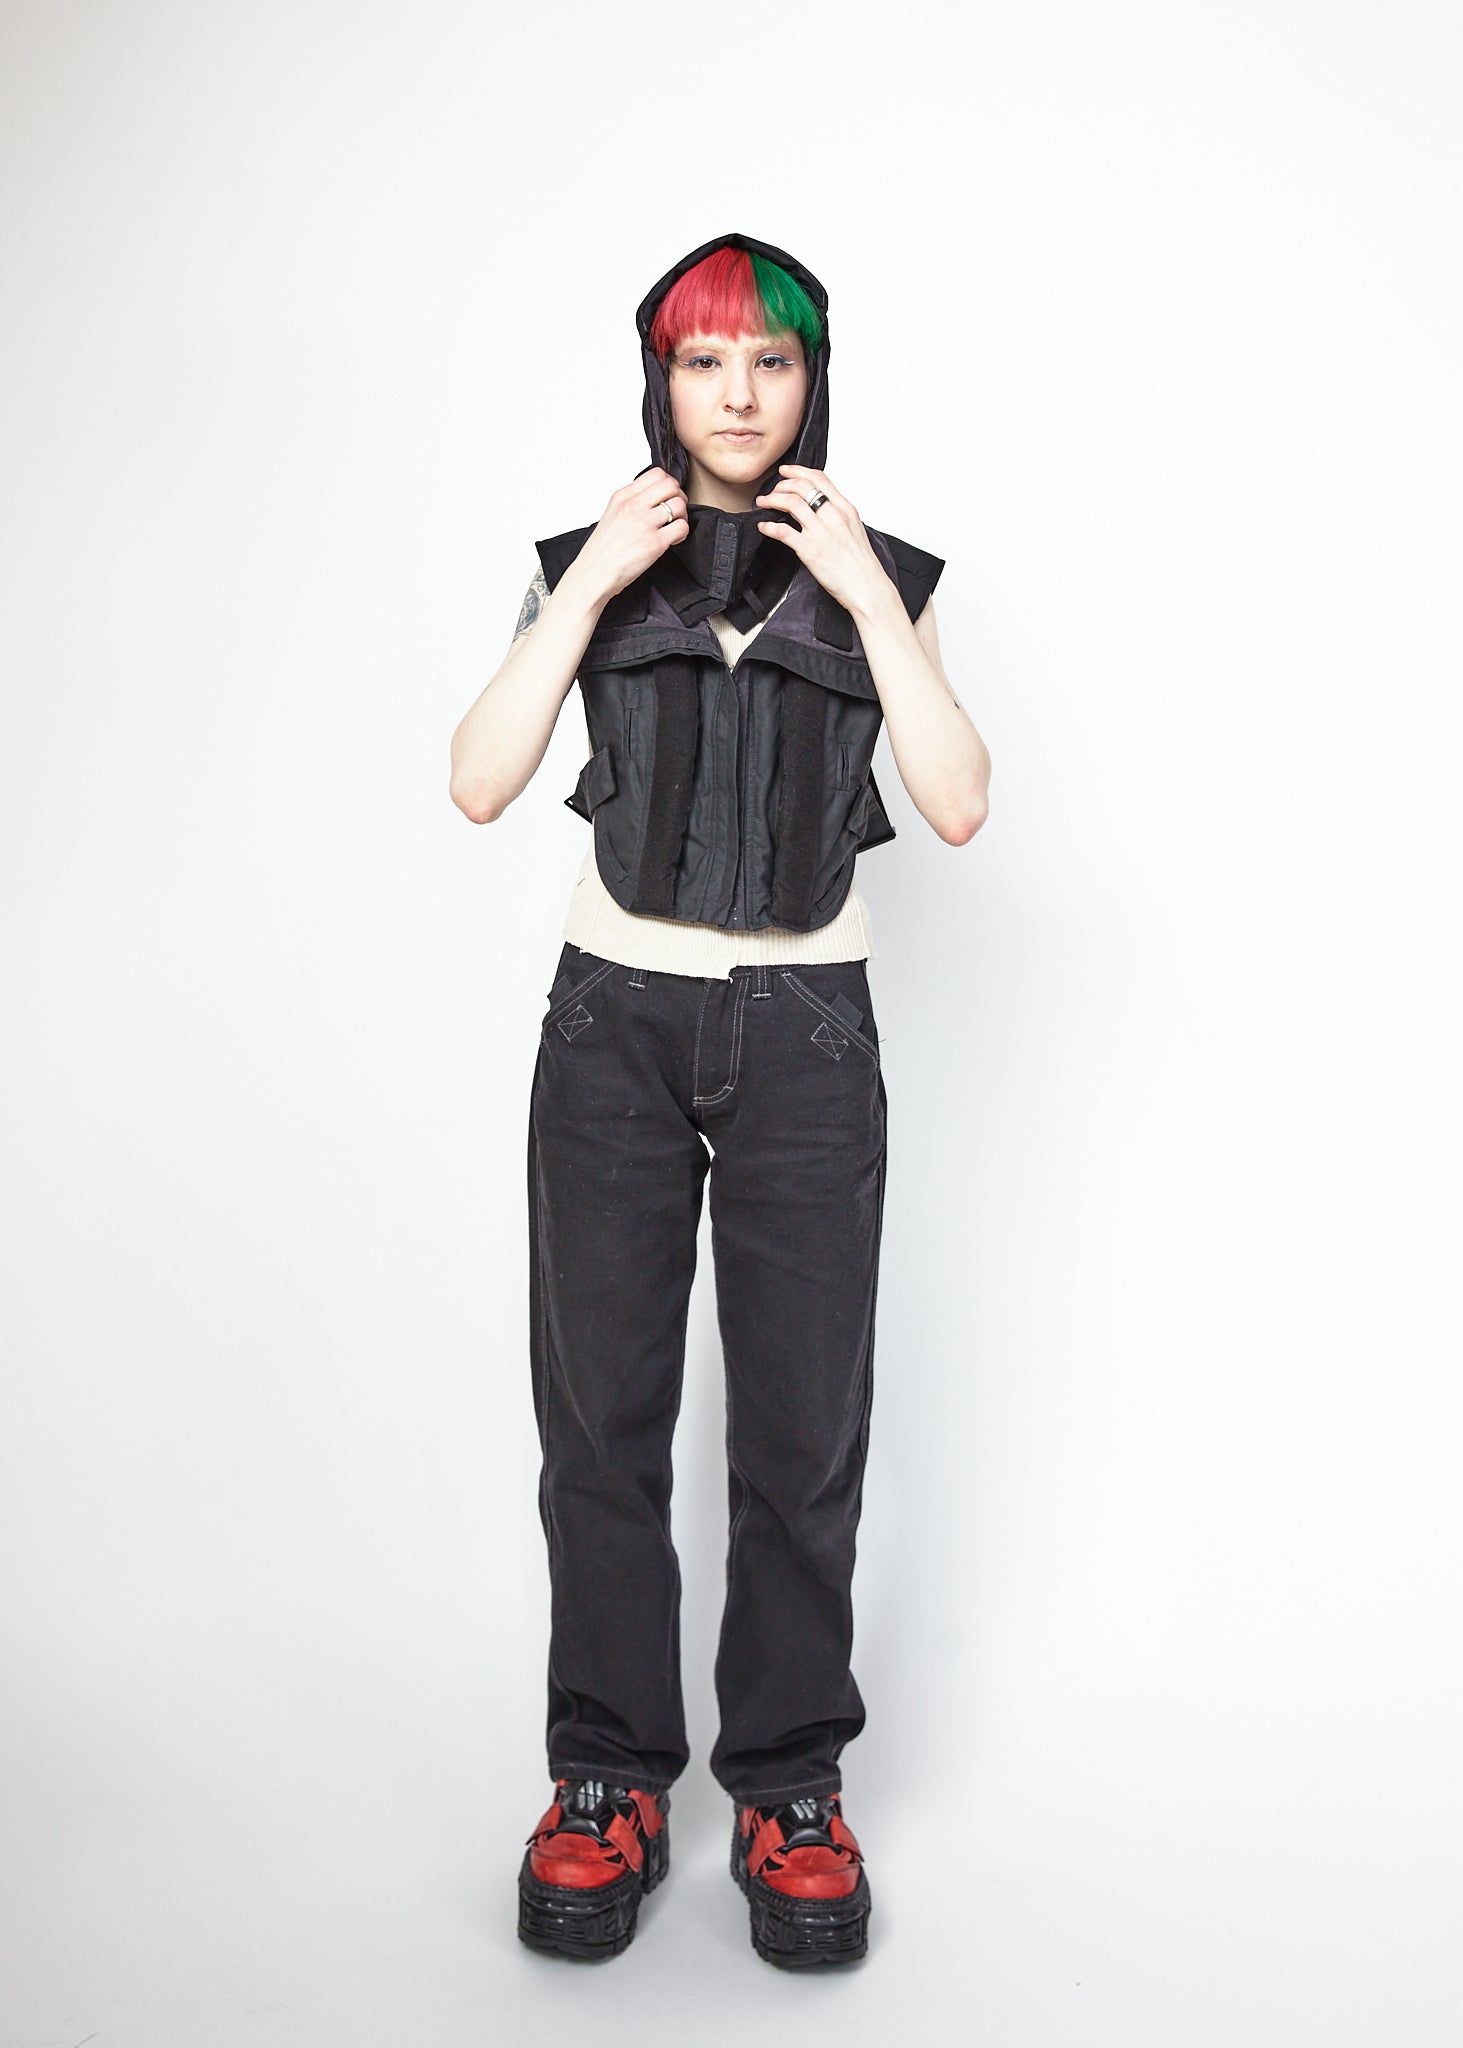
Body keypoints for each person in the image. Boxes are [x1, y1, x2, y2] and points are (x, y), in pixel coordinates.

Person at [449, 233, 991, 1968]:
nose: (738, 395)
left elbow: (959, 801)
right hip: (612, 1025)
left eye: (770, 361)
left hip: (809, 1034)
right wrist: (591, 587)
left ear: (812, 383)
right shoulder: (584, 564)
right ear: (660, 384)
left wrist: (877, 602)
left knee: (802, 1433)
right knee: (600, 1426)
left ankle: (790, 1789)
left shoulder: (878, 579)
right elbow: (478, 779)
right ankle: (604, 1778)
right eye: (704, 363)